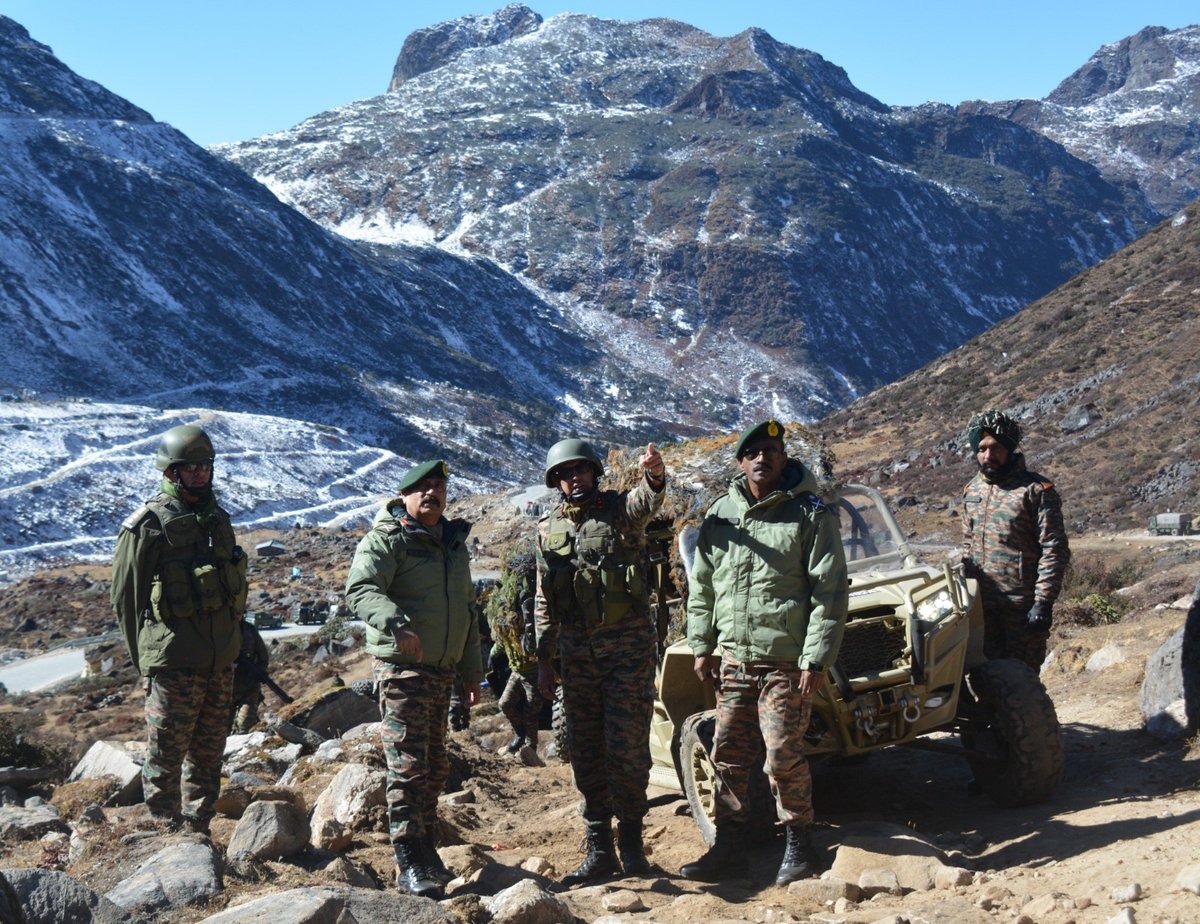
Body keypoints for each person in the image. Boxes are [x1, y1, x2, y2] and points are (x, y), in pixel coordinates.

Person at [680, 419, 848, 886]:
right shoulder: (720, 516)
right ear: (740, 462)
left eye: (771, 451)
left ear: (784, 459)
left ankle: (800, 845)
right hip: (735, 660)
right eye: (753, 452)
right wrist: (702, 645)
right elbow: (703, 589)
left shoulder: (810, 515)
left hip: (786, 663)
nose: (762, 459)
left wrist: (816, 659)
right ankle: (730, 847)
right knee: (729, 754)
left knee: (782, 754)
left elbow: (829, 591)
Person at [345, 458, 482, 899]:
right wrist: (395, 622)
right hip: (402, 668)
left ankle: (426, 850)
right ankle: (407, 861)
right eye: (422, 487)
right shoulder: (388, 539)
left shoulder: (453, 545)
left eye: (439, 486)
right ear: (404, 495)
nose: (432, 494)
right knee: (407, 765)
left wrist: (471, 673)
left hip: (442, 670)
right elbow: (361, 589)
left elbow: (466, 613)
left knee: (435, 766)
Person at [535, 438, 667, 885]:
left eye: (582, 471)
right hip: (576, 659)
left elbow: (647, 501)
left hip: (627, 654)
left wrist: (654, 475)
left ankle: (631, 843)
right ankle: (598, 849)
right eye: (566, 473)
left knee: (627, 753)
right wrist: (543, 660)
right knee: (586, 754)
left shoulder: (619, 511)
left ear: (595, 472)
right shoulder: (547, 531)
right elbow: (543, 600)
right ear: (557, 481)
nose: (575, 478)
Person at [111, 424, 247, 835]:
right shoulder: (148, 525)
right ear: (171, 472)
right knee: (166, 751)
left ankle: (199, 830)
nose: (201, 475)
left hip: (219, 660)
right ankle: (163, 830)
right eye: (191, 468)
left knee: (209, 752)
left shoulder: (217, 519)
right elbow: (125, 599)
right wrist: (146, 665)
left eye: (205, 467)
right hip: (174, 662)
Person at [961, 409, 1070, 671]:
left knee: (1023, 680)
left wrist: (1043, 602)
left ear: (1009, 449)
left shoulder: (1036, 491)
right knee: (983, 677)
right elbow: (968, 544)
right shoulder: (972, 490)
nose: (989, 455)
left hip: (1021, 608)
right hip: (981, 609)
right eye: (982, 448)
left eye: (996, 447)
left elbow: (1054, 550)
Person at [494, 545, 540, 754]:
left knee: (531, 711)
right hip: (518, 669)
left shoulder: (528, 598)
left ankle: (530, 749)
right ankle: (520, 736)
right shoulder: (509, 600)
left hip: (534, 669)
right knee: (505, 703)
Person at [231, 619, 270, 733]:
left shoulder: (250, 630)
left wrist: (258, 673)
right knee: (220, 730)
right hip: (225, 690)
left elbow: (263, 656)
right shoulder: (220, 630)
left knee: (245, 725)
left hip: (249, 688)